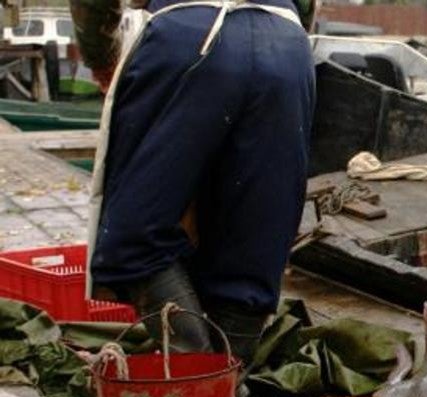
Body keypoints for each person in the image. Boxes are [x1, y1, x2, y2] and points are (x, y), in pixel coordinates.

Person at [73, 0, 316, 367]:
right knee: (253, 243)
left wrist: (99, 54)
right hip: (286, 42)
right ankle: (228, 385)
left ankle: (195, 374)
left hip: (188, 35)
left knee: (134, 236)